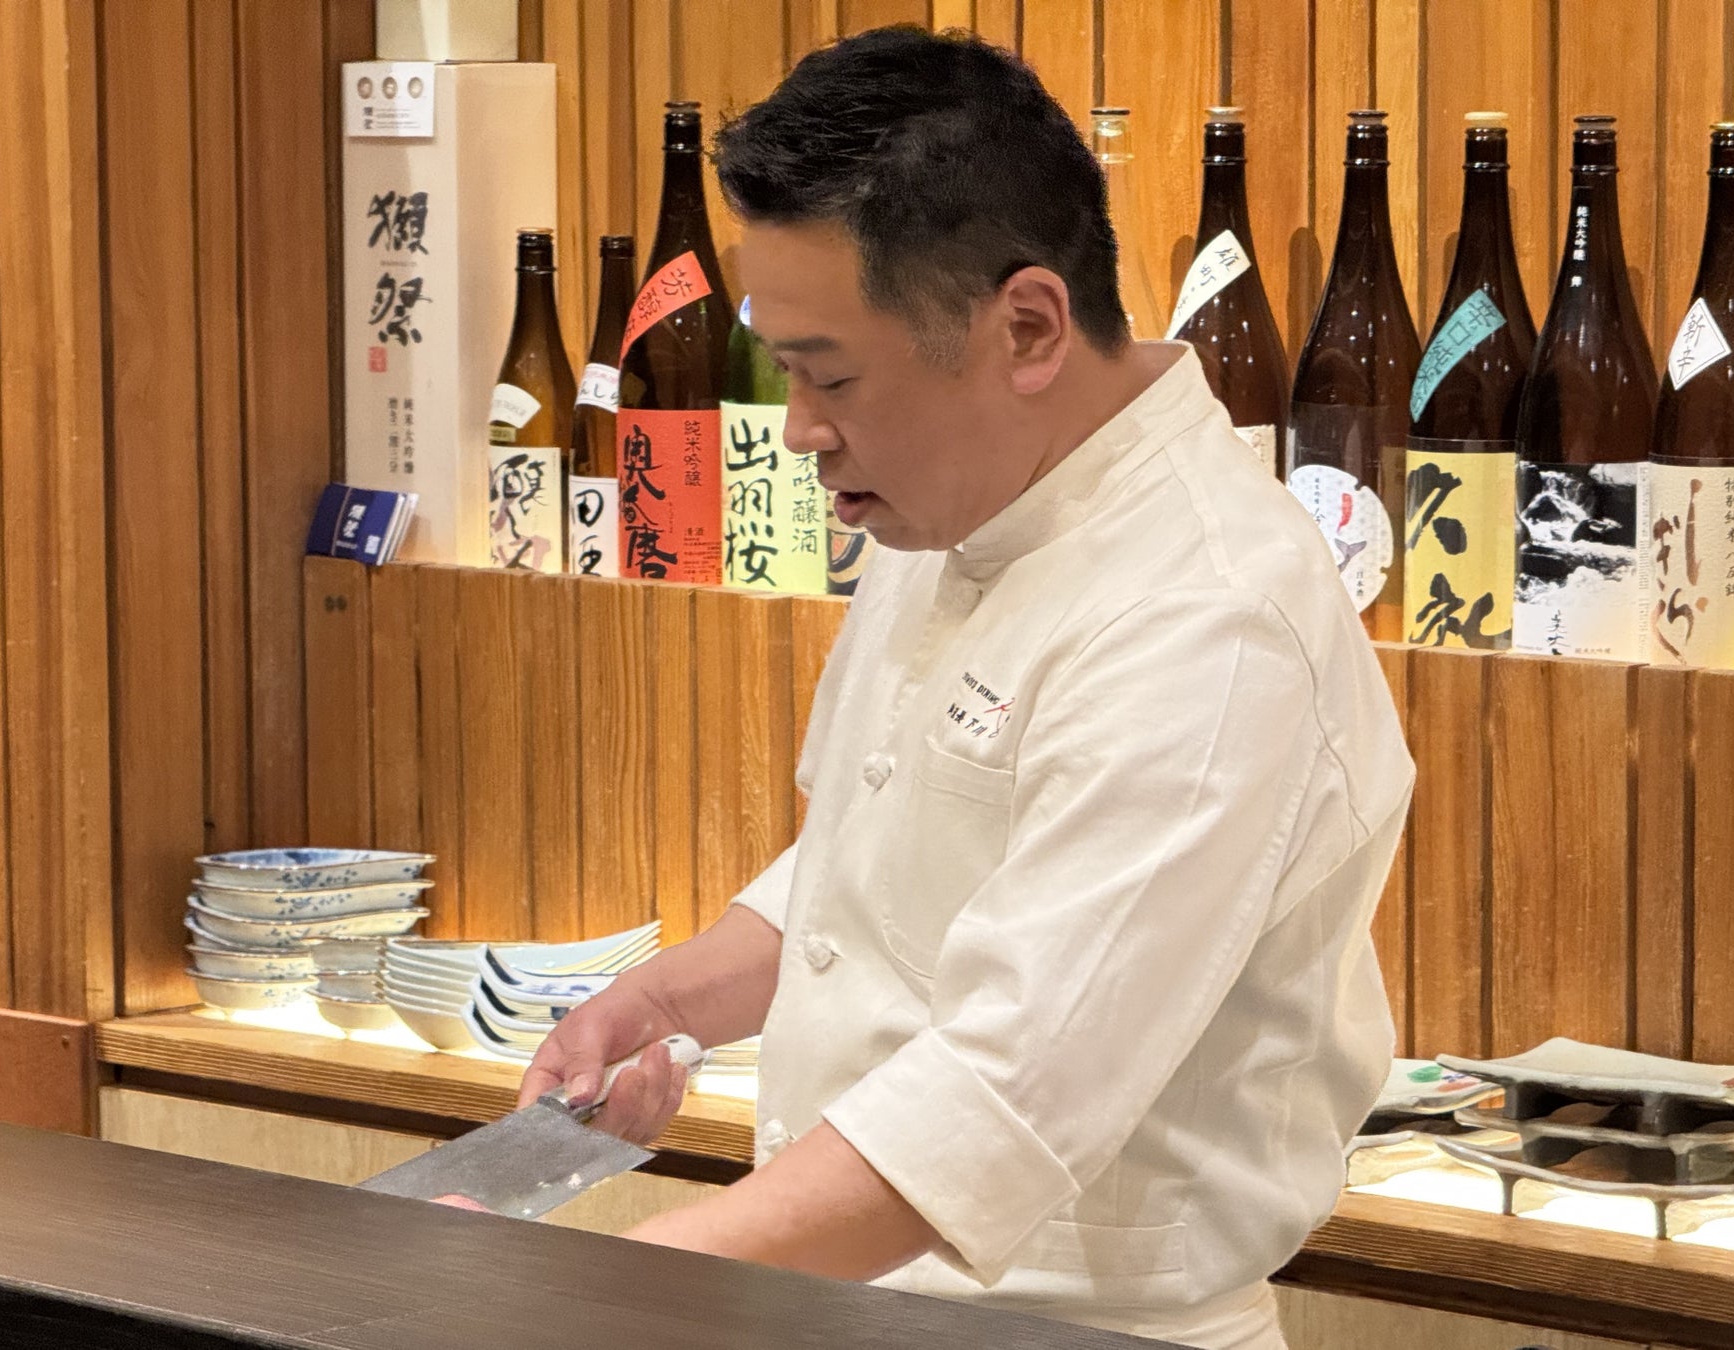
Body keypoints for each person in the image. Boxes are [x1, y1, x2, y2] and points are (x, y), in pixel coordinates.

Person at [520, 26, 1413, 1350]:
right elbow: (879, 864)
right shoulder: (950, 495)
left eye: (827, 375)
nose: (800, 430)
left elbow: (1008, 1092)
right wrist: (665, 1002)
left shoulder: (1211, 615)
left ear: (1028, 327)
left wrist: (619, 1291)